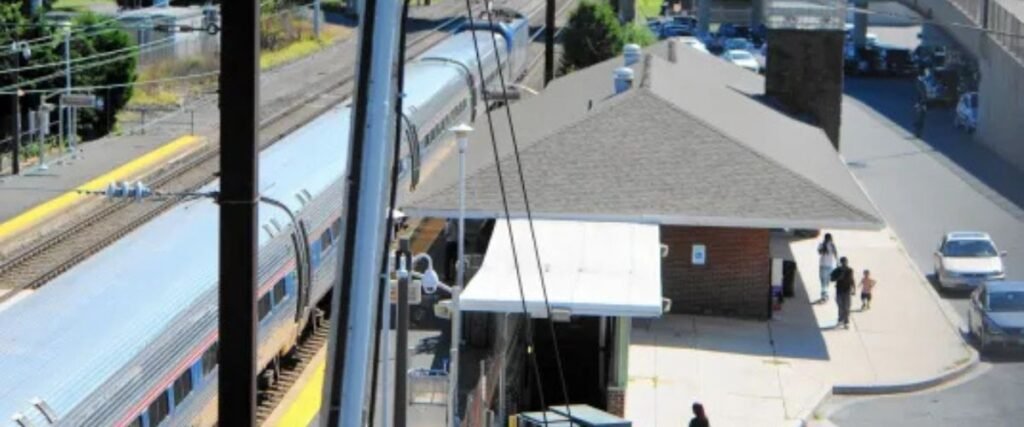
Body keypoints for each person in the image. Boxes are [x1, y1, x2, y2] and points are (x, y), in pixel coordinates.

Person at [831, 257, 855, 328]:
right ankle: (840, 320)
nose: (844, 263)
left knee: (847, 306)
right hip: (839, 290)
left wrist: (854, 289)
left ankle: (846, 322)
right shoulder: (837, 270)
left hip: (847, 290)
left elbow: (852, 279)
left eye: (846, 262)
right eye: (843, 262)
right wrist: (839, 277)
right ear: (841, 262)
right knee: (840, 306)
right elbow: (832, 279)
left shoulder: (850, 270)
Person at [817, 233, 838, 303]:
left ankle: (824, 295)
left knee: (824, 282)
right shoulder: (830, 245)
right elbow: (835, 254)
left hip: (823, 265)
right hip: (829, 265)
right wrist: (837, 263)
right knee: (826, 282)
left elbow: (819, 252)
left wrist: (824, 246)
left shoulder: (824, 245)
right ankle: (825, 295)